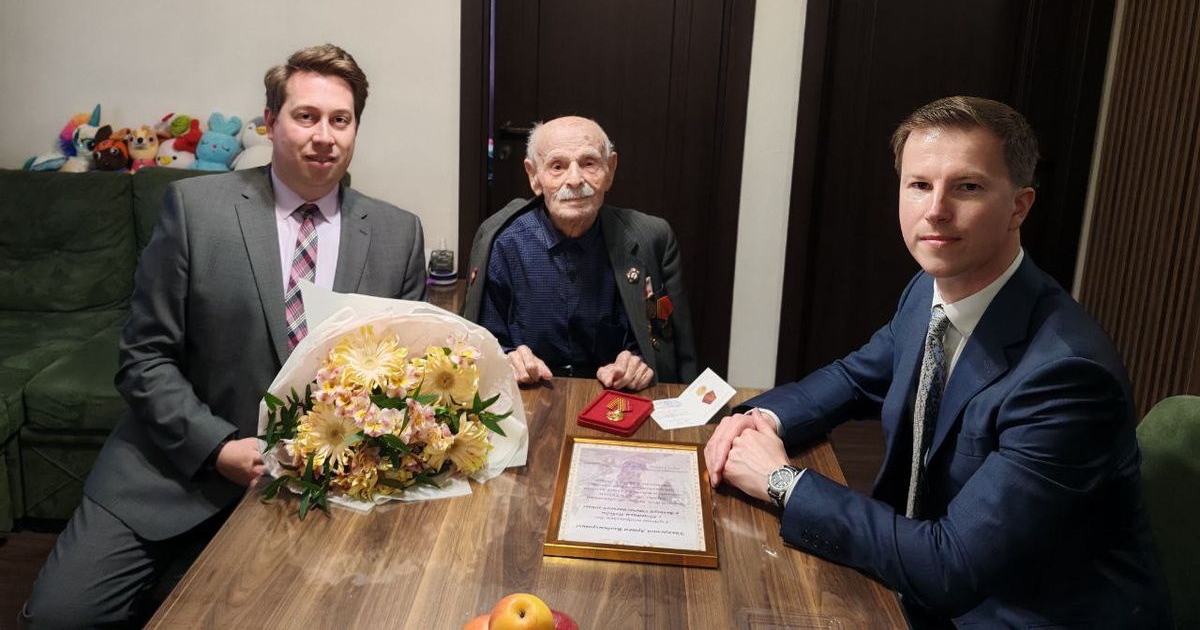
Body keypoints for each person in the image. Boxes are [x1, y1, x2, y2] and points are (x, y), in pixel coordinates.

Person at [704, 96, 1169, 629]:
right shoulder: (929, 292)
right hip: (919, 582)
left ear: (1019, 207)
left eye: (967, 187)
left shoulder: (1067, 376)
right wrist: (758, 420)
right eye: (920, 185)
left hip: (1014, 614)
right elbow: (856, 378)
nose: (936, 210)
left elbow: (952, 567)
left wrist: (781, 481)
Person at [24, 44, 427, 628]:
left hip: (328, 487)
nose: (324, 136)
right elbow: (144, 358)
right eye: (306, 116)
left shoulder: (397, 234)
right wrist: (216, 448)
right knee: (58, 617)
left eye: (340, 120)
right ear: (271, 121)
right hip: (174, 470)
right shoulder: (195, 210)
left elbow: (404, 378)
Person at [462, 116, 696, 391]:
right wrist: (508, 358)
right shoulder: (502, 242)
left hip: (617, 396)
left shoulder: (652, 239)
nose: (574, 180)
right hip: (529, 395)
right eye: (557, 166)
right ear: (534, 176)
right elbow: (482, 344)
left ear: (610, 169)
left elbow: (671, 346)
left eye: (589, 163)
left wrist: (639, 362)